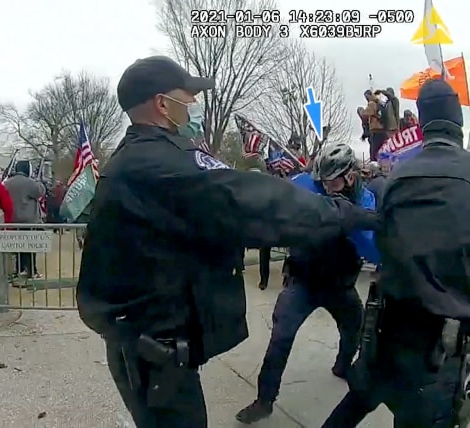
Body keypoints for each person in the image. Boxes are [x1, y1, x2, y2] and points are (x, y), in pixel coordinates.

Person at [77, 55, 379, 428]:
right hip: (154, 353)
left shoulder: (141, 158)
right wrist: (349, 214)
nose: (193, 106)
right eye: (187, 97)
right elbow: (253, 201)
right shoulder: (161, 162)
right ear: (161, 103)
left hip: (148, 344)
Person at [323, 78, 470, 428]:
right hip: (439, 346)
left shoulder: (397, 178)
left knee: (355, 403)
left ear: (423, 123)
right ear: (459, 123)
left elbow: (385, 246)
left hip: (387, 328)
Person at [236, 142, 379, 424]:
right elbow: (274, 200)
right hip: (303, 281)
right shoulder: (304, 184)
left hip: (341, 285)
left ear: (350, 176)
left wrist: (348, 219)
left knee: (354, 329)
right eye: (322, 181)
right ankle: (264, 400)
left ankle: (342, 366)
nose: (326, 187)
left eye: (333, 181)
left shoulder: (365, 200)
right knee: (280, 337)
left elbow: (372, 250)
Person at [4, 160, 46, 279]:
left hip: (13, 219)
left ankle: (19, 269)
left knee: (18, 248)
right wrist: (38, 181)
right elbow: (40, 192)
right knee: (31, 248)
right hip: (28, 220)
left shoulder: (7, 183)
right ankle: (32, 271)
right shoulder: (29, 183)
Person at [361, 90, 392, 161]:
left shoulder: (371, 103)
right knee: (383, 148)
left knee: (374, 150)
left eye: (366, 96)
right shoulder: (379, 102)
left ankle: (375, 164)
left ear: (368, 95)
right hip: (383, 129)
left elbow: (365, 114)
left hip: (376, 129)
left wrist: (362, 112)